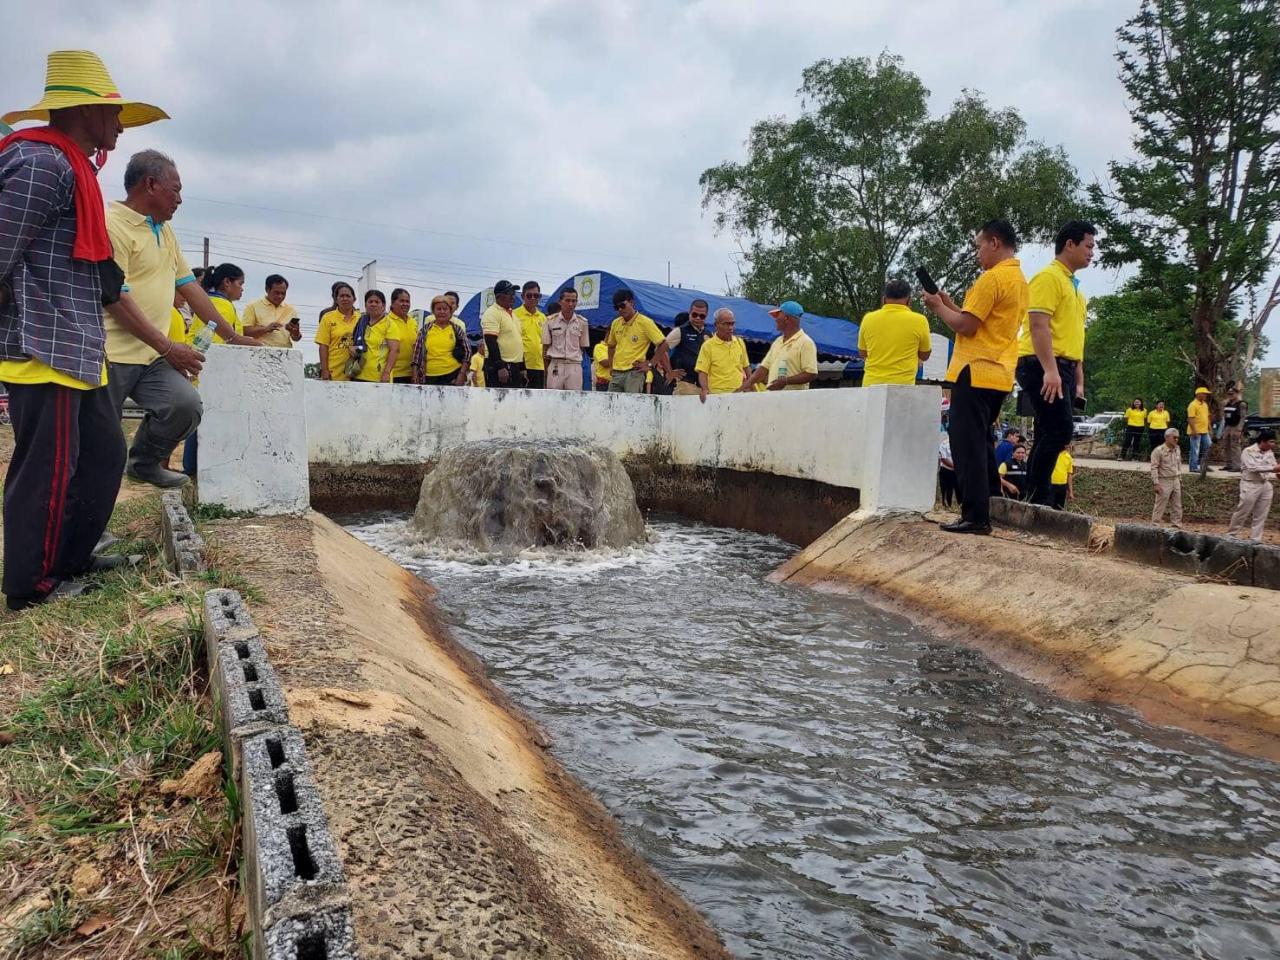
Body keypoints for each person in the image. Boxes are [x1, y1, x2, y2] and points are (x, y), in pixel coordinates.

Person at [0, 50, 165, 609]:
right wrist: (22, 314)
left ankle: (72, 555)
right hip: (45, 344)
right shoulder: (42, 164)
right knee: (46, 471)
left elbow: (96, 273)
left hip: (76, 345)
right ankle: (32, 585)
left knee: (100, 457)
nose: (118, 125)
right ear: (85, 112)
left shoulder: (72, 166)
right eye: (113, 114)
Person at [102, 153, 254, 488]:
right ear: (150, 185)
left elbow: (190, 288)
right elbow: (117, 298)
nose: (180, 200)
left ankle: (144, 462)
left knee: (184, 405)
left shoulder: (165, 232)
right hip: (111, 354)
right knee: (101, 446)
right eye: (176, 190)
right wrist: (169, 346)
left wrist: (232, 337)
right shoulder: (112, 225)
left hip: (151, 355)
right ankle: (83, 529)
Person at [922, 218, 1029, 535]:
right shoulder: (1019, 280)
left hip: (974, 370)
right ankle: (989, 505)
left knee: (966, 445)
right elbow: (979, 321)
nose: (977, 252)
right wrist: (950, 304)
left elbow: (966, 327)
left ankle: (975, 516)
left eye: (979, 245)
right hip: (998, 373)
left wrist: (936, 308)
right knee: (982, 445)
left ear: (995, 242)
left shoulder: (990, 279)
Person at [1015, 219, 1094, 503]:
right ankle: (1039, 497)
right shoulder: (1048, 277)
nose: (1092, 252)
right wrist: (1050, 370)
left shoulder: (1077, 290)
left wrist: (1079, 380)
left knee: (1050, 430)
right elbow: (1038, 326)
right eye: (1088, 246)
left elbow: (1075, 340)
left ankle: (1034, 497)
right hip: (1041, 363)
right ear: (1069, 244)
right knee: (1060, 429)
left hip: (1065, 366)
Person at [181, 262, 252, 476]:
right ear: (227, 282)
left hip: (202, 369)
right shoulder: (220, 305)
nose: (242, 288)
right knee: (205, 420)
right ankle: (193, 468)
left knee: (199, 420)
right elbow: (223, 339)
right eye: (240, 283)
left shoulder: (214, 302)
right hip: (211, 371)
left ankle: (191, 467)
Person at [857, 278, 931, 386]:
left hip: (871, 386)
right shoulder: (919, 320)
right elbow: (925, 355)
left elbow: (863, 353)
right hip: (903, 386)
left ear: (883, 300)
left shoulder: (868, 319)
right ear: (909, 301)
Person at [741, 300, 819, 391]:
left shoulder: (806, 342)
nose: (776, 319)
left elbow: (811, 373)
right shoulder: (778, 342)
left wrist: (785, 381)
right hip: (774, 398)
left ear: (786, 318)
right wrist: (745, 386)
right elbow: (763, 368)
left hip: (794, 400)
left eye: (778, 315)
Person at [605, 288, 669, 394]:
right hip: (617, 372)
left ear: (631, 302)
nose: (620, 309)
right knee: (611, 406)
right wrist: (611, 366)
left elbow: (663, 344)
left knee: (631, 406)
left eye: (622, 305)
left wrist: (650, 364)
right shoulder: (616, 323)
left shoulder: (645, 322)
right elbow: (611, 346)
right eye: (617, 307)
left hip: (634, 372)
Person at [1225, 429, 1277, 542]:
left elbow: (1273, 465)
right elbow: (1252, 468)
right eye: (1271, 441)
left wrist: (1277, 473)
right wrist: (1274, 469)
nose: (1273, 444)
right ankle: (1231, 535)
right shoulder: (1248, 451)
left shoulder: (1269, 452)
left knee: (1261, 513)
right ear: (1263, 441)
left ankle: (1256, 539)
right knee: (1243, 510)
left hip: (1265, 484)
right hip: (1250, 484)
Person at [694, 307, 750, 402]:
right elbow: (702, 371)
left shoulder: (740, 342)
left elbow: (746, 367)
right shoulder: (708, 346)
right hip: (717, 396)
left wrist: (750, 386)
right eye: (726, 324)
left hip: (738, 394)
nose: (730, 327)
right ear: (716, 325)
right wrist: (704, 389)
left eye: (732, 324)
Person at [411, 294, 468, 385]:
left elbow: (467, 353)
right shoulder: (425, 330)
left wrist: (462, 374)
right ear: (433, 311)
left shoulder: (457, 329)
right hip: (428, 377)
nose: (442, 312)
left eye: (445, 309)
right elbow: (416, 355)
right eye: (438, 309)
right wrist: (414, 376)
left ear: (450, 311)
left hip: (453, 376)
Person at [542, 287, 589, 391]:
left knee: (573, 399)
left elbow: (583, 347)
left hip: (574, 365)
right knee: (553, 398)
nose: (571, 304)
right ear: (560, 301)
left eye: (574, 301)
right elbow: (545, 347)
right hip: (556, 364)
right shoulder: (550, 321)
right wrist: (546, 371)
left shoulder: (582, 322)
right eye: (567, 300)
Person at [481, 280, 524, 388]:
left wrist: (522, 367)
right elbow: (490, 341)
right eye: (510, 294)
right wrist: (499, 367)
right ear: (499, 296)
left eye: (514, 294)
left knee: (513, 401)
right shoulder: (492, 313)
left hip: (514, 365)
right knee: (499, 402)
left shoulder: (512, 313)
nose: (513, 297)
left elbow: (518, 340)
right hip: (500, 365)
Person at [665, 299, 713, 396]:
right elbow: (660, 350)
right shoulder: (680, 331)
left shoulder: (709, 334)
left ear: (706, 316)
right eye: (695, 314)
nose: (698, 318)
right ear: (690, 313)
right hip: (685, 384)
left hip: (704, 385)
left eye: (702, 316)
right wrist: (669, 371)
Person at [349, 289, 397, 383]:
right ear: (366, 305)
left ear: (383, 306)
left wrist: (386, 373)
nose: (373, 304)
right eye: (370, 302)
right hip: (358, 372)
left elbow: (394, 350)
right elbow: (354, 341)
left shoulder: (389, 324)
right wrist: (352, 348)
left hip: (379, 377)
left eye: (377, 302)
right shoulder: (361, 322)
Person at [241, 274, 300, 348]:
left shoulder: (291, 310)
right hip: (261, 353)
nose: (280, 296)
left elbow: (296, 338)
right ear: (267, 289)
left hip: (285, 354)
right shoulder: (252, 307)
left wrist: (295, 332)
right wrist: (265, 329)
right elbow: (245, 332)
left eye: (283, 293)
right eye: (276, 293)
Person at [315, 281, 358, 381]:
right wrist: (325, 370)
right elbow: (323, 346)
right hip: (334, 372)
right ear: (336, 299)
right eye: (341, 296)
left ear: (354, 299)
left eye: (348, 296)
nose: (345, 298)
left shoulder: (362, 318)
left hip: (357, 373)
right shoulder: (327, 317)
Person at [515, 281, 546, 389]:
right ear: (523, 296)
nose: (533, 298)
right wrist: (520, 367)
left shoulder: (543, 318)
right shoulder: (514, 315)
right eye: (529, 295)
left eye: (536, 295)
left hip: (541, 366)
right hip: (522, 367)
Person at [1150, 427, 1183, 527]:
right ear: (1167, 437)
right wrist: (1156, 483)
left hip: (1175, 479)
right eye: (1174, 438)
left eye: (1177, 438)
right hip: (1164, 480)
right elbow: (1154, 467)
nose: (1176, 440)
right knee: (1160, 504)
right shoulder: (1158, 451)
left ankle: (1176, 525)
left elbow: (1179, 464)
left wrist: (1180, 479)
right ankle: (1155, 524)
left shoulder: (1177, 449)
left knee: (1177, 504)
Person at [386, 288, 417, 384]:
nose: (405, 304)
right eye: (401, 301)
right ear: (392, 302)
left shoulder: (413, 322)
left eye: (407, 301)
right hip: (393, 374)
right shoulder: (386, 321)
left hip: (411, 374)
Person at [1220, 384, 1248, 472]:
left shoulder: (1241, 404)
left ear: (1237, 394)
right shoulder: (1227, 403)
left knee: (1235, 446)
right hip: (1228, 426)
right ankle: (1229, 465)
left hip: (1236, 426)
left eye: (1232, 394)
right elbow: (1224, 416)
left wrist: (1239, 429)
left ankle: (1237, 466)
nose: (1230, 395)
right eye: (1229, 394)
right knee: (1226, 445)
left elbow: (1243, 417)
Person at [1186, 386, 1212, 473]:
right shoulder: (1192, 405)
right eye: (1204, 394)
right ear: (1198, 394)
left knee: (1208, 446)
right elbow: (1190, 418)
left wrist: (1210, 429)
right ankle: (1193, 467)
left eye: (1206, 394)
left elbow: (1207, 417)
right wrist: (1194, 431)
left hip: (1204, 431)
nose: (1206, 395)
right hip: (1195, 431)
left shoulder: (1205, 404)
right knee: (1195, 449)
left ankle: (1204, 465)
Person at [938, 427, 957, 509]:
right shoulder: (944, 444)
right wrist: (956, 467)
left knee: (955, 491)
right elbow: (943, 458)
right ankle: (945, 506)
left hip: (957, 472)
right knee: (945, 491)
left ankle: (953, 506)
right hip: (946, 471)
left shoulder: (960, 443)